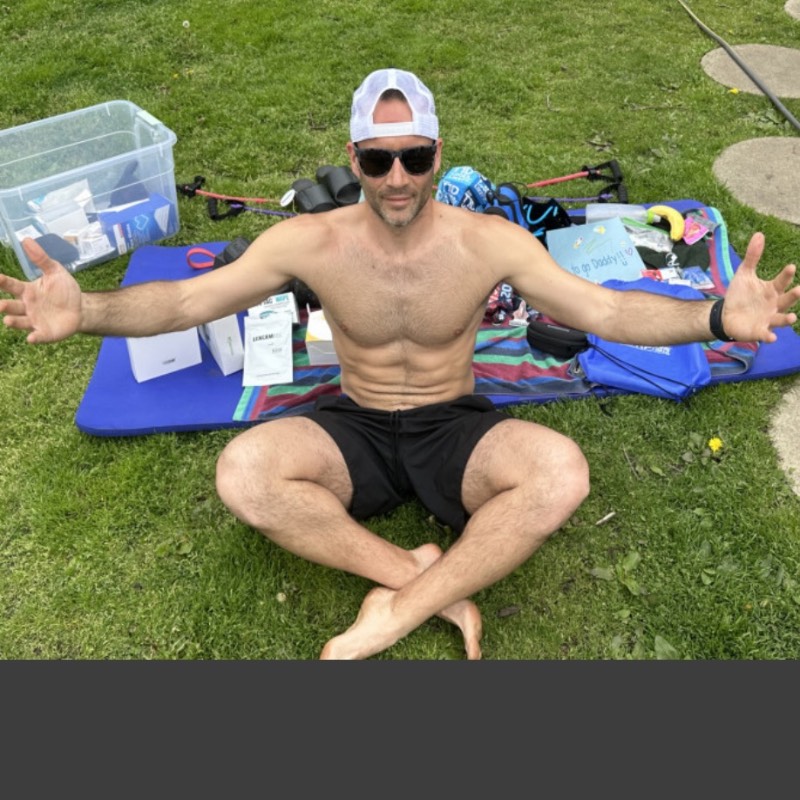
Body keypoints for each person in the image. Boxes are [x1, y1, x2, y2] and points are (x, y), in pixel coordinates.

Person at [1, 68, 798, 660]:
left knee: (562, 472)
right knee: (243, 474)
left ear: (437, 154)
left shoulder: (487, 242)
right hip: (353, 426)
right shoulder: (309, 242)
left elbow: (609, 312)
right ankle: (419, 576)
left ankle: (400, 609)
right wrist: (88, 312)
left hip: (454, 428)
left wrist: (716, 317)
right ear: (352, 158)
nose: (397, 180)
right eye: (378, 161)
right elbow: (182, 304)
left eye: (414, 158)